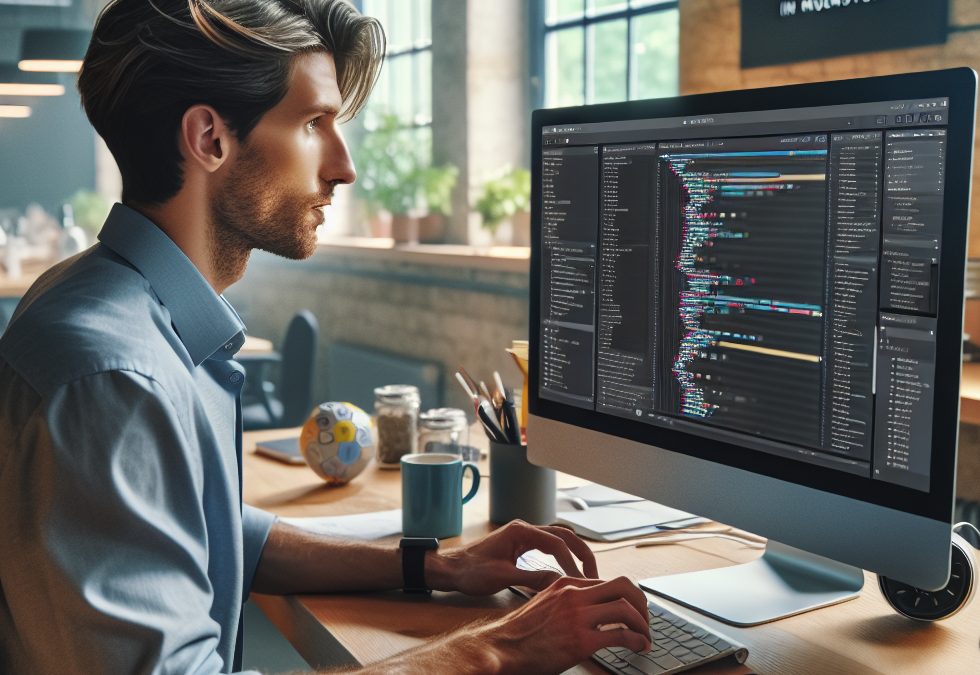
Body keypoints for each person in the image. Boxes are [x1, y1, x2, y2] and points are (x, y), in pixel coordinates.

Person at [0, 1, 652, 673]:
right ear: (209, 138)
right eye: (315, 123)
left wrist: (438, 566)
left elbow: (216, 531)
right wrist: (499, 645)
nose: (345, 167)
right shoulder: (114, 379)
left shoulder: (100, 300)